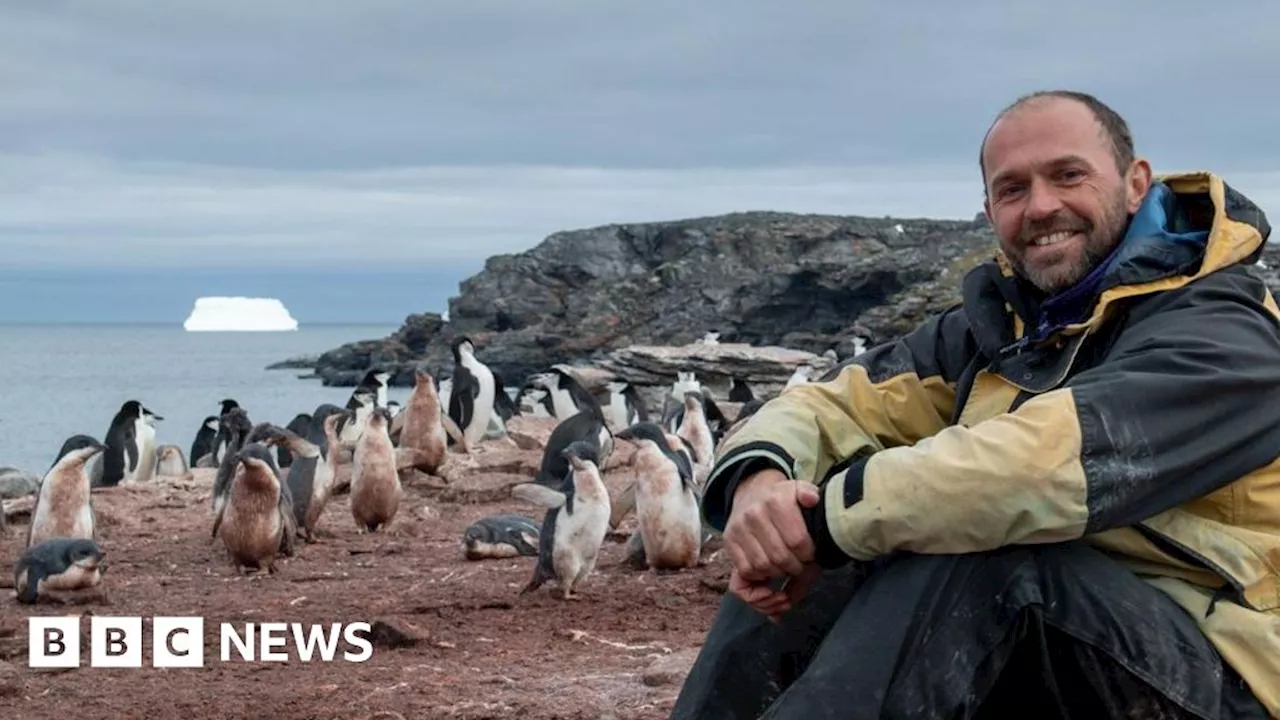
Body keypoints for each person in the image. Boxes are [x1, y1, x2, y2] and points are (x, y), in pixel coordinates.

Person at [670, 90, 1280, 719]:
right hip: (1073, 644)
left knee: (984, 564)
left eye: (1069, 175)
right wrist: (761, 483)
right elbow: (836, 401)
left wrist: (820, 524)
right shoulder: (1001, 327)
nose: (1042, 206)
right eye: (1012, 189)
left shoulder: (1222, 333)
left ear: (1135, 183)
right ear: (989, 211)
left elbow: (1037, 469)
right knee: (798, 573)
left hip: (1225, 670)